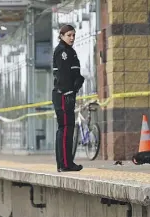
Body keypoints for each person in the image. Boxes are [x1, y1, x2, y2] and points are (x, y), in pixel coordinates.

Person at [52, 24, 85, 172]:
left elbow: (73, 75)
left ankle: (64, 163)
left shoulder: (69, 51)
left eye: (73, 35)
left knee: (65, 129)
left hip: (66, 94)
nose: (72, 38)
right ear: (61, 36)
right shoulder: (63, 52)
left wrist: (78, 81)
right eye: (69, 35)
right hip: (64, 95)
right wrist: (70, 91)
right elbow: (64, 76)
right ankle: (65, 164)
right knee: (66, 129)